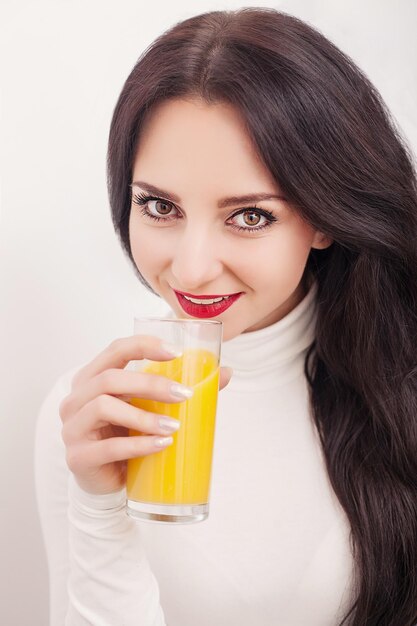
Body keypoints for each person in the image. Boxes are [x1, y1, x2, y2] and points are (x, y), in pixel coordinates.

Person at [34, 7, 417, 626]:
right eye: (159, 206)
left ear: (324, 216)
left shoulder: (403, 383)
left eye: (249, 216)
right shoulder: (90, 419)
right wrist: (101, 513)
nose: (190, 270)